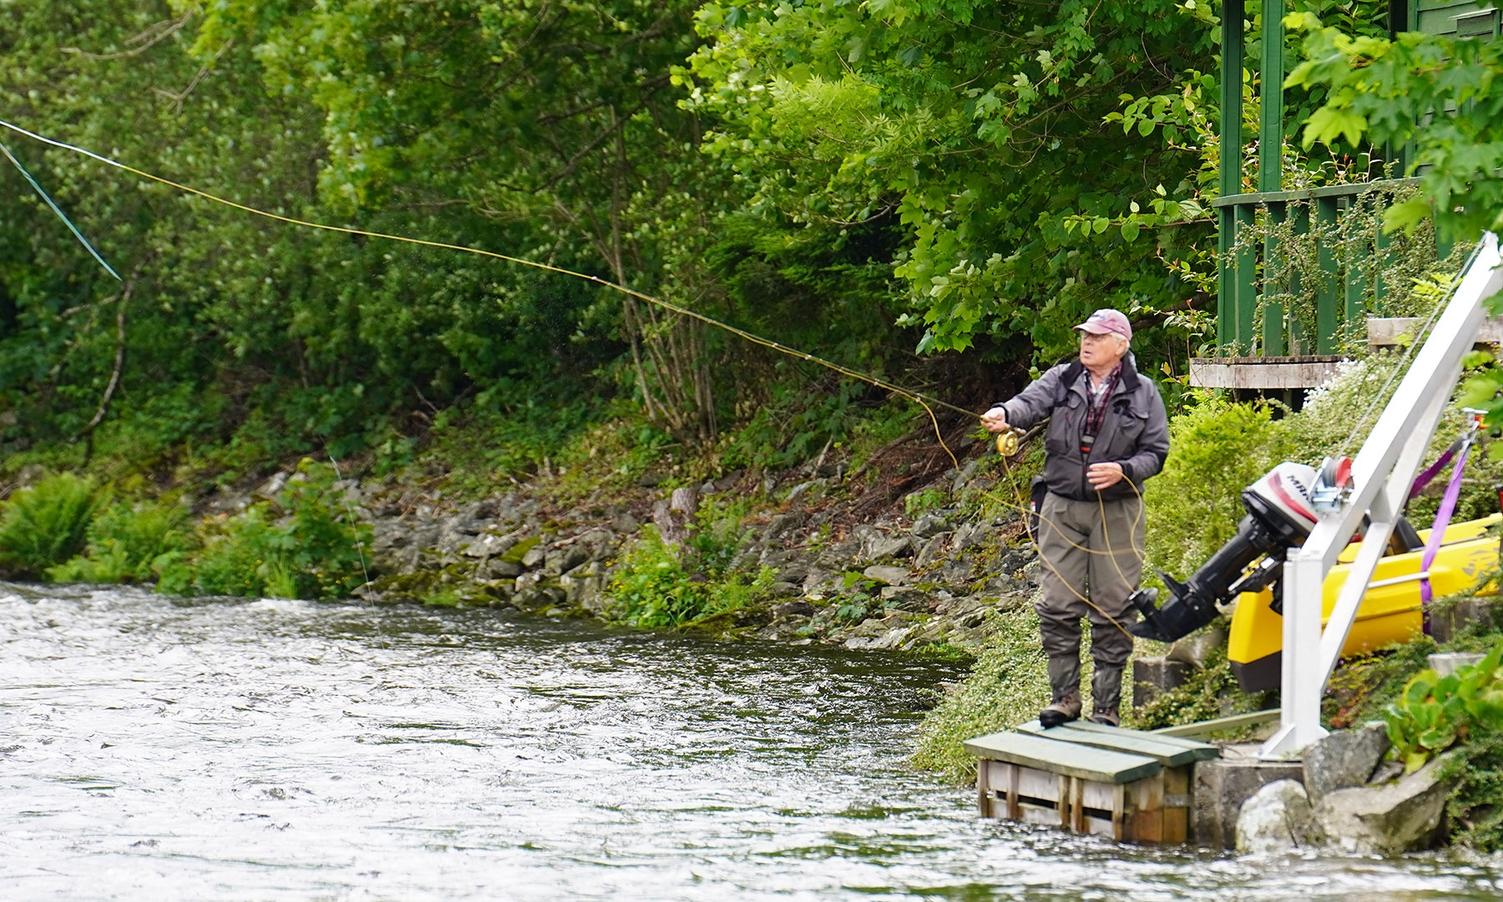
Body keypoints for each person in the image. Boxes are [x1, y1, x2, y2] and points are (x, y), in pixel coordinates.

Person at [981, 309, 1169, 727]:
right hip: (1061, 507)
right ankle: (1064, 699)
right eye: (1084, 335)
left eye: (1097, 337)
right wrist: (1004, 413)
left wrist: (1125, 470)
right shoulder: (1062, 378)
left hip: (1118, 510)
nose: (1086, 342)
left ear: (1120, 346)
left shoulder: (1145, 394)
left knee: (1115, 607)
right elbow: (1028, 403)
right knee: (1057, 605)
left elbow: (1156, 453)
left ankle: (1106, 708)